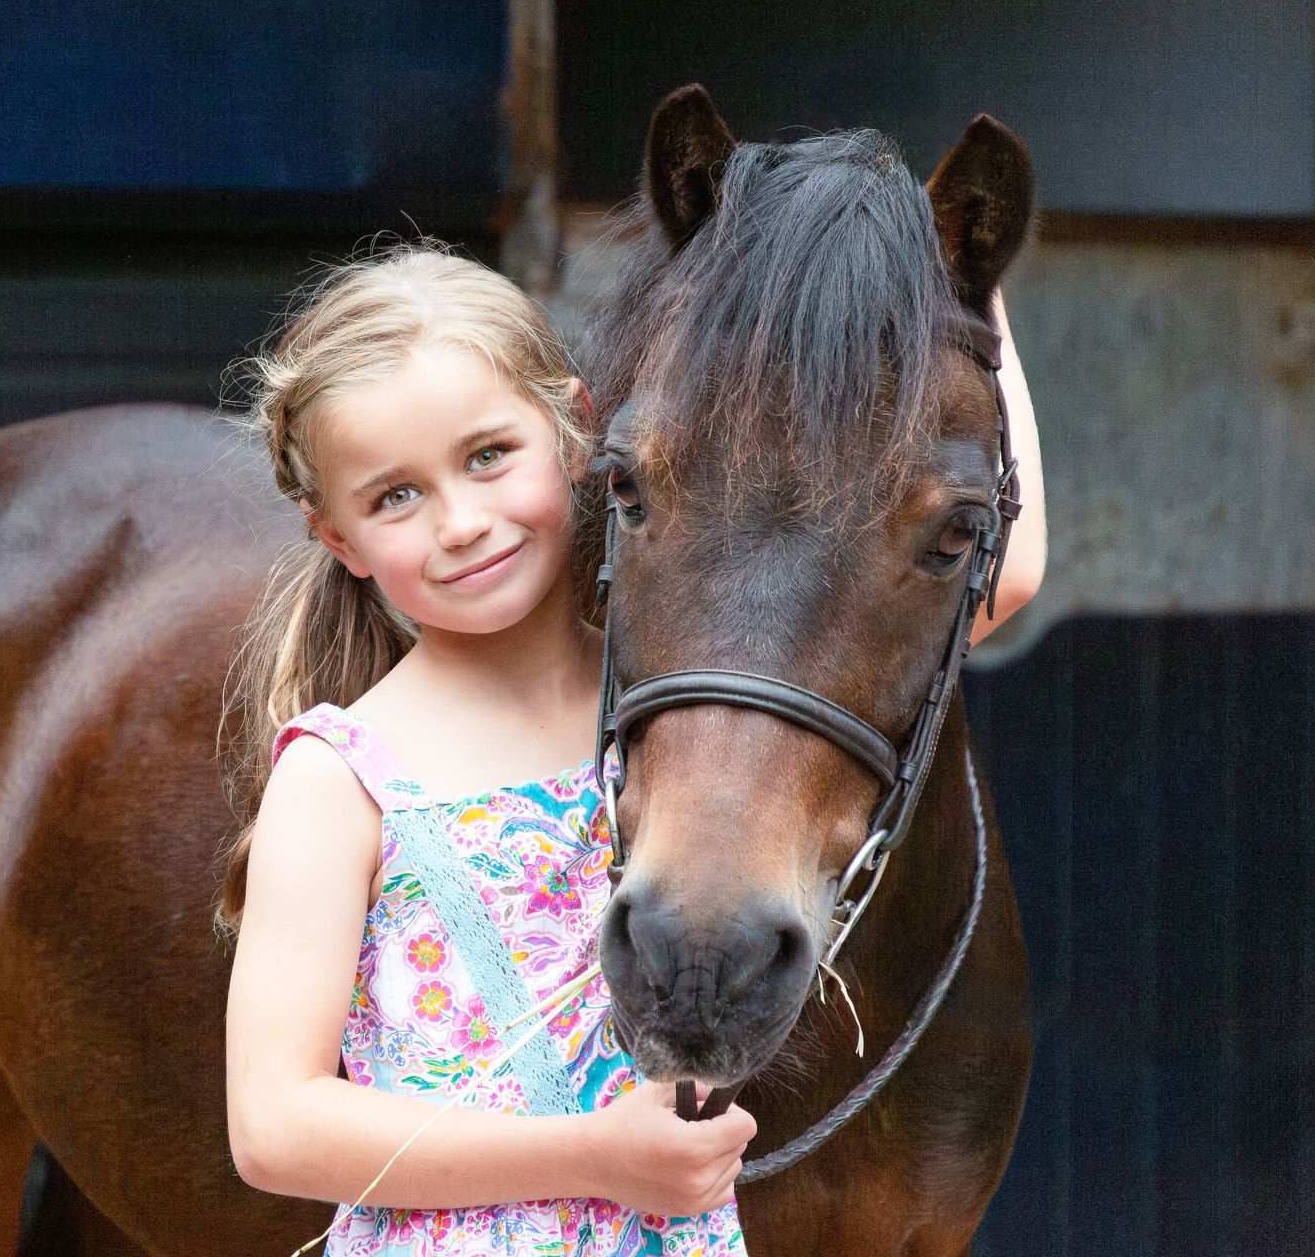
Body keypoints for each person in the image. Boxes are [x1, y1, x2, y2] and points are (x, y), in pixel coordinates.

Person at [217, 241, 1044, 1255]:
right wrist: (592, 1156)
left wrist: (962, 286)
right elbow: (273, 1128)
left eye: (488, 457)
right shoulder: (338, 776)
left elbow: (1004, 569)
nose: (463, 522)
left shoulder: (676, 714)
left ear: (573, 431)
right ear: (336, 537)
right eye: (396, 496)